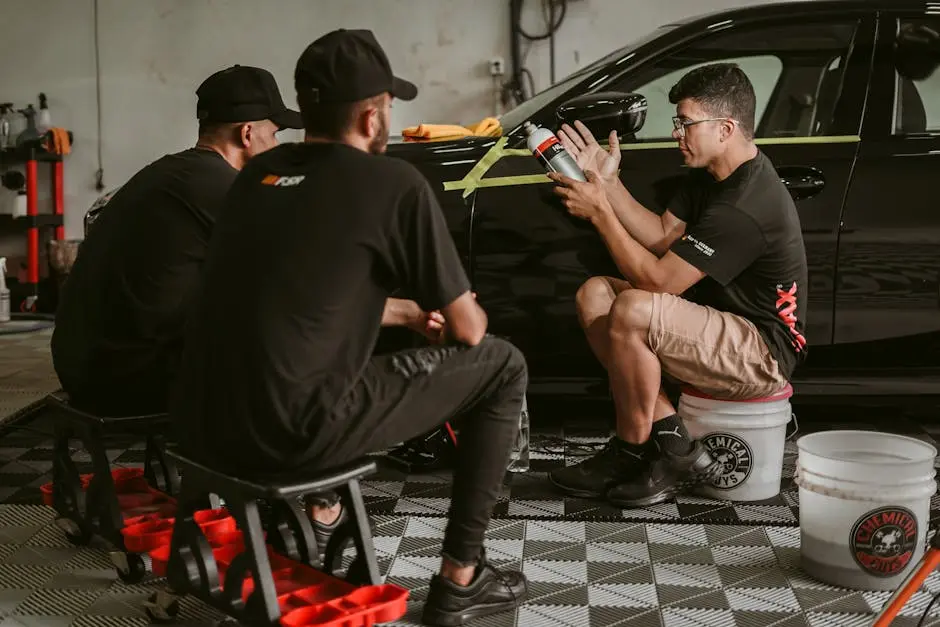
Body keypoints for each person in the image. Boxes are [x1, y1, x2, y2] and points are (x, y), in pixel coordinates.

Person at [170, 29, 529, 626]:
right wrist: (436, 315)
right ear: (371, 116)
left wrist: (402, 311)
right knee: (502, 364)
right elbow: (468, 329)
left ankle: (316, 513)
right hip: (291, 435)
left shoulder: (255, 179)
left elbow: (298, 298)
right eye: (389, 107)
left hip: (201, 423)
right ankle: (462, 579)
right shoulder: (392, 184)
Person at [546, 63, 808, 507]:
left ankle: (646, 450)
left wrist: (600, 215)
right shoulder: (711, 176)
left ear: (725, 128)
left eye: (685, 123)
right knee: (597, 294)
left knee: (633, 306)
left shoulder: (747, 202)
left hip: (761, 353)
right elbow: (663, 235)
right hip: (720, 327)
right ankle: (666, 446)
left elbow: (657, 280)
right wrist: (607, 186)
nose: (676, 133)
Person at [52, 65, 302, 417]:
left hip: (85, 367)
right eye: (274, 134)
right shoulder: (222, 186)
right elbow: (300, 264)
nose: (276, 145)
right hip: (124, 381)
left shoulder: (172, 173)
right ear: (247, 133)